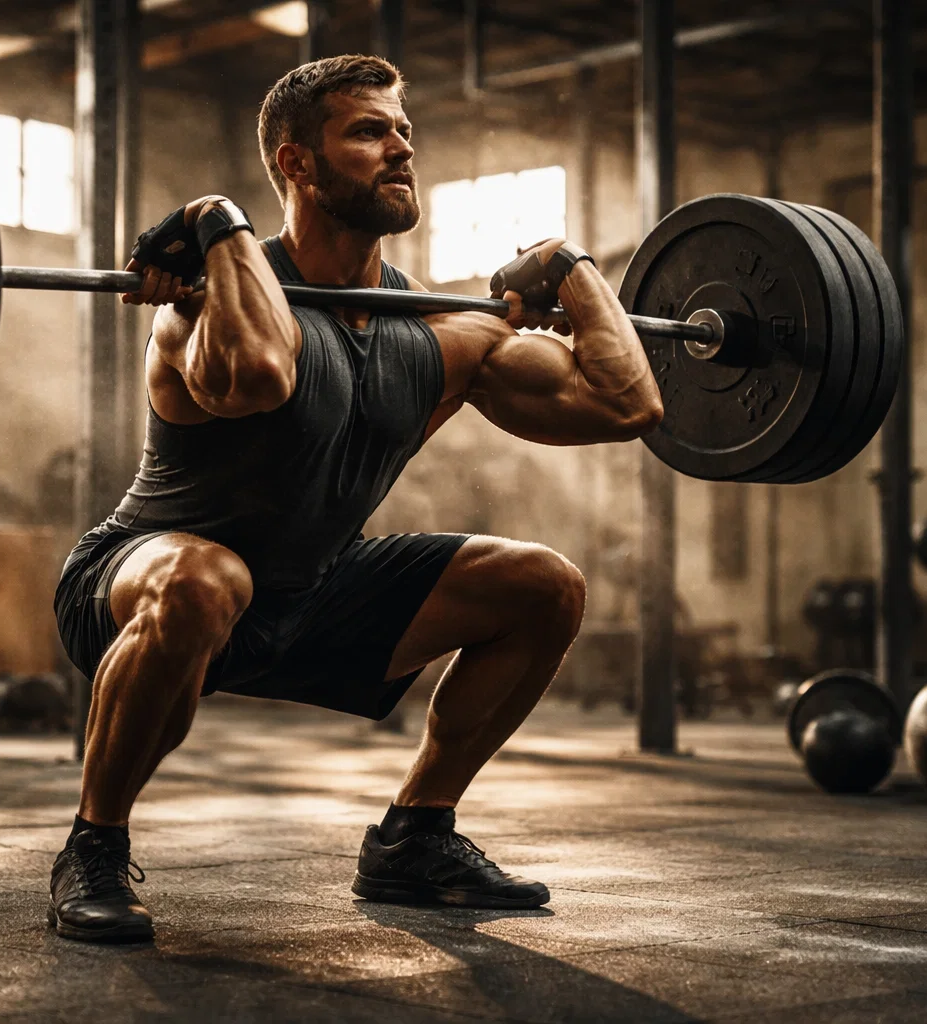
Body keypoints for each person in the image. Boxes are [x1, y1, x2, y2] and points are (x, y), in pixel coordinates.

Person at [49, 54, 663, 943]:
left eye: (402, 131)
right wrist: (216, 222)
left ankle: (415, 835)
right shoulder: (202, 295)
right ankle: (93, 847)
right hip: (139, 582)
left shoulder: (446, 330)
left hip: (307, 594)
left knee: (544, 586)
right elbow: (261, 373)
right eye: (369, 132)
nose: (399, 149)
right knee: (203, 579)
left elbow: (629, 402)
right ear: (297, 163)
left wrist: (571, 270)